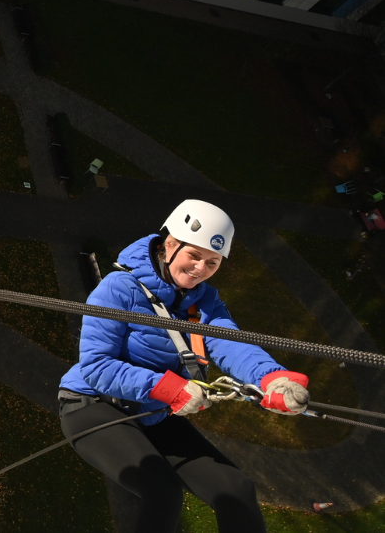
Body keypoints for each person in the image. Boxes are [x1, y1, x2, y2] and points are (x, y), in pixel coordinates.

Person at [58, 200, 311, 533]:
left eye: (212, 262)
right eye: (194, 255)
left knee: (236, 490)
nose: (200, 269)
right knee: (163, 492)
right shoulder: (119, 289)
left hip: (152, 412)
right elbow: (97, 367)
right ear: (170, 244)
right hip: (92, 405)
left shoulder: (204, 302)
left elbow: (229, 342)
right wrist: (170, 389)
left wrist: (271, 378)